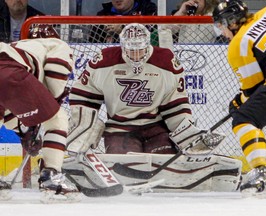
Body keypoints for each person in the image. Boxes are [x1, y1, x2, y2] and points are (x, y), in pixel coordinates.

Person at [68, 23, 224, 156]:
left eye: (140, 50)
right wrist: (85, 123)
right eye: (131, 50)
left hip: (155, 128)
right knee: (125, 166)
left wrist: (187, 134)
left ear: (148, 45)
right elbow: (84, 96)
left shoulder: (165, 62)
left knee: (164, 163)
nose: (136, 55)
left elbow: (175, 105)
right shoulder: (104, 62)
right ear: (122, 46)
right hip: (119, 129)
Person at [212, 0, 266, 196]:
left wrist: (238, 103)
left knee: (244, 119)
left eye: (221, 26)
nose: (222, 33)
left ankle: (261, 173)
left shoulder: (238, 45)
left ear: (231, 22)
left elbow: (254, 88)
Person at [0, 25, 80, 200]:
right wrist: (54, 100)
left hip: (6, 74)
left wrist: (25, 132)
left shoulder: (16, 45)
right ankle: (51, 176)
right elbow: (56, 70)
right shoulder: (55, 43)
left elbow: (11, 112)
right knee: (57, 119)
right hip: (9, 73)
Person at [89, 0, 157, 43]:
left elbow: (152, 36)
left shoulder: (148, 9)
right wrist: (104, 32)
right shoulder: (103, 14)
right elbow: (92, 43)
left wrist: (124, 29)